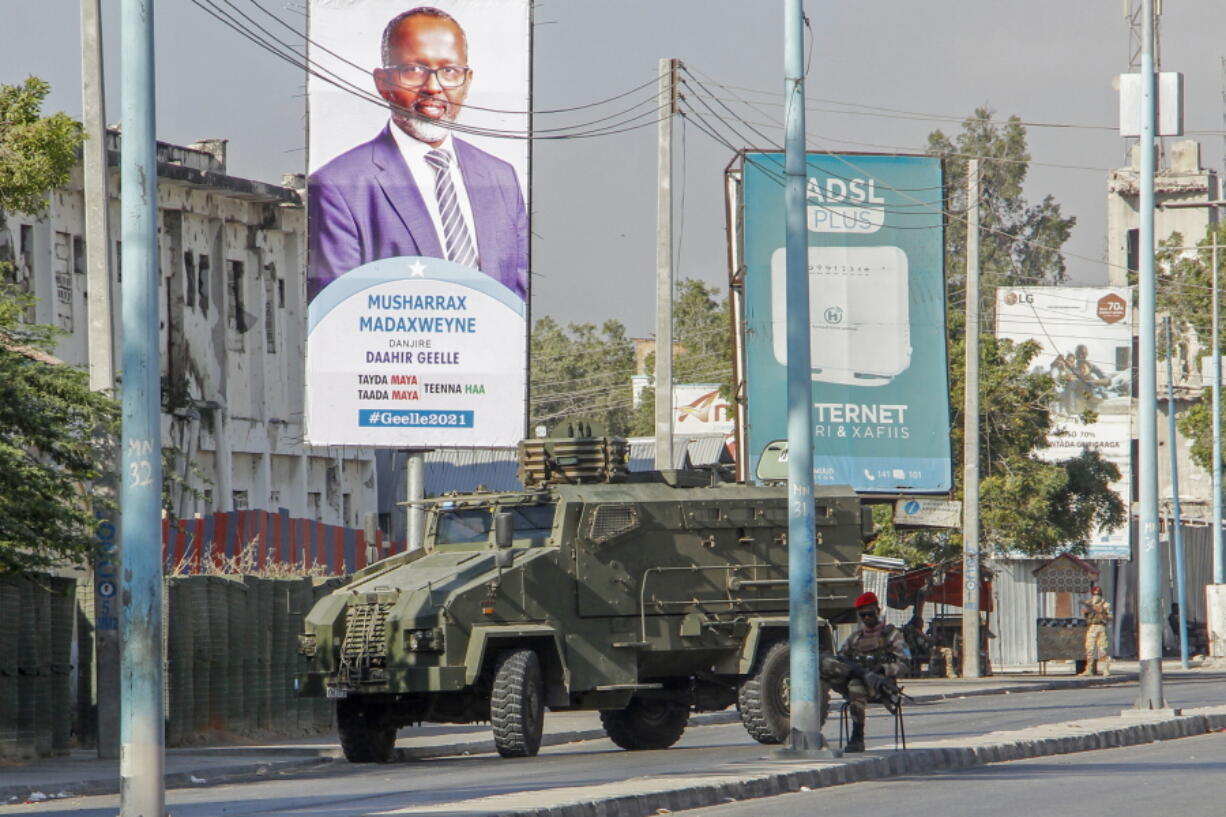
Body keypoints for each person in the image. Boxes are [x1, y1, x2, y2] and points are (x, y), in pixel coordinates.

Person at [307, 6, 528, 302]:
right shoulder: (338, 186)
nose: (433, 87)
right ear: (382, 83)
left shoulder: (500, 177)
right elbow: (339, 314)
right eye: (414, 70)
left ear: (468, 81)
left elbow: (519, 301)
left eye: (449, 71)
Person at [820, 591, 907, 753]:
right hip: (853, 681)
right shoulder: (856, 638)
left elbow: (904, 665)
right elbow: (841, 658)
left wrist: (884, 668)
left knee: (856, 685)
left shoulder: (891, 635)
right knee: (824, 664)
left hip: (880, 686)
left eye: (870, 614)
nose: (867, 618)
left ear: (878, 611)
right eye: (863, 615)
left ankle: (857, 736)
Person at [1079, 585, 1112, 676]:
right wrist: (1086, 611)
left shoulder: (1106, 604)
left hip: (1101, 627)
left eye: (1098, 594)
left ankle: (1106, 669)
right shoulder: (1089, 603)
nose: (1096, 596)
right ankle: (1089, 669)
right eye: (1094, 594)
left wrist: (1101, 612)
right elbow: (1085, 615)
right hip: (1091, 627)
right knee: (1089, 649)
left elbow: (1110, 616)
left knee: (1103, 649)